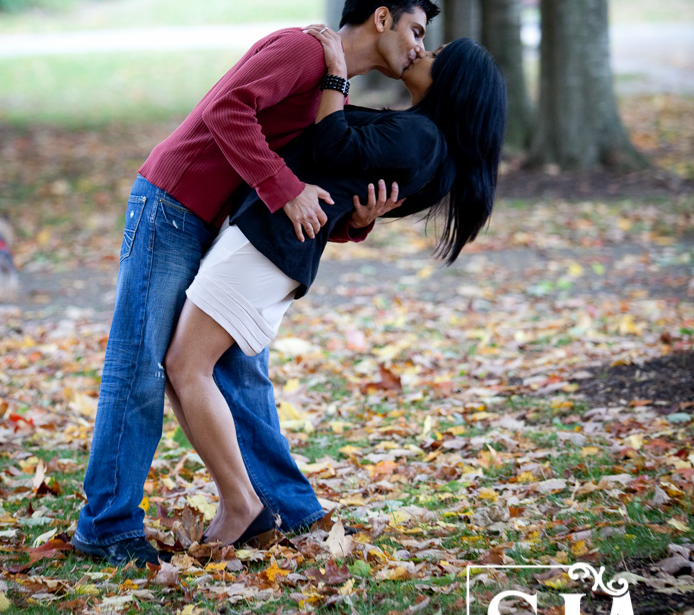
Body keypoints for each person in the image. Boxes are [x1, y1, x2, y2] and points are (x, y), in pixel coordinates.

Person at [73, 0, 439, 566]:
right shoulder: (303, 49)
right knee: (141, 363)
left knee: (241, 372)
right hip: (172, 203)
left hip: (217, 225)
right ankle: (108, 525)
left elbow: (314, 170)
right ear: (381, 18)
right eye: (416, 31)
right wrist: (285, 189)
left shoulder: (333, 85)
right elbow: (226, 111)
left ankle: (281, 509)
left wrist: (356, 220)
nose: (420, 47)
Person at [163, 35, 506, 547]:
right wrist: (359, 219)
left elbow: (330, 144)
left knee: (187, 369)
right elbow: (343, 180)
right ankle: (242, 501)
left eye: (433, 56)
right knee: (181, 371)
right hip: (270, 245)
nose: (420, 52)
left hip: (269, 247)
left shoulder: (423, 138)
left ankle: (242, 505)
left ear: (452, 83)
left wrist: (335, 75)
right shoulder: (423, 137)